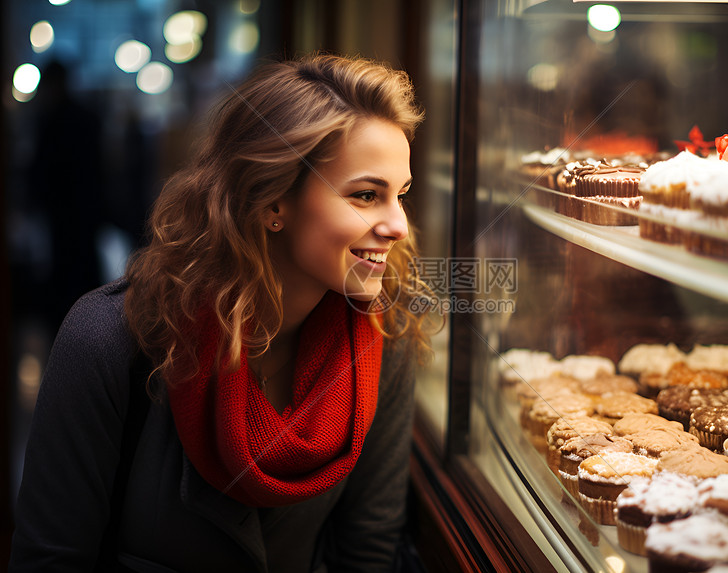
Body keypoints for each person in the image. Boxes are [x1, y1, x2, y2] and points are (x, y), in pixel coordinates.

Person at [9, 53, 436, 572]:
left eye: (401, 195)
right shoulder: (109, 338)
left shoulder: (380, 344)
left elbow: (366, 552)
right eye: (367, 195)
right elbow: (51, 560)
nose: (397, 225)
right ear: (273, 201)